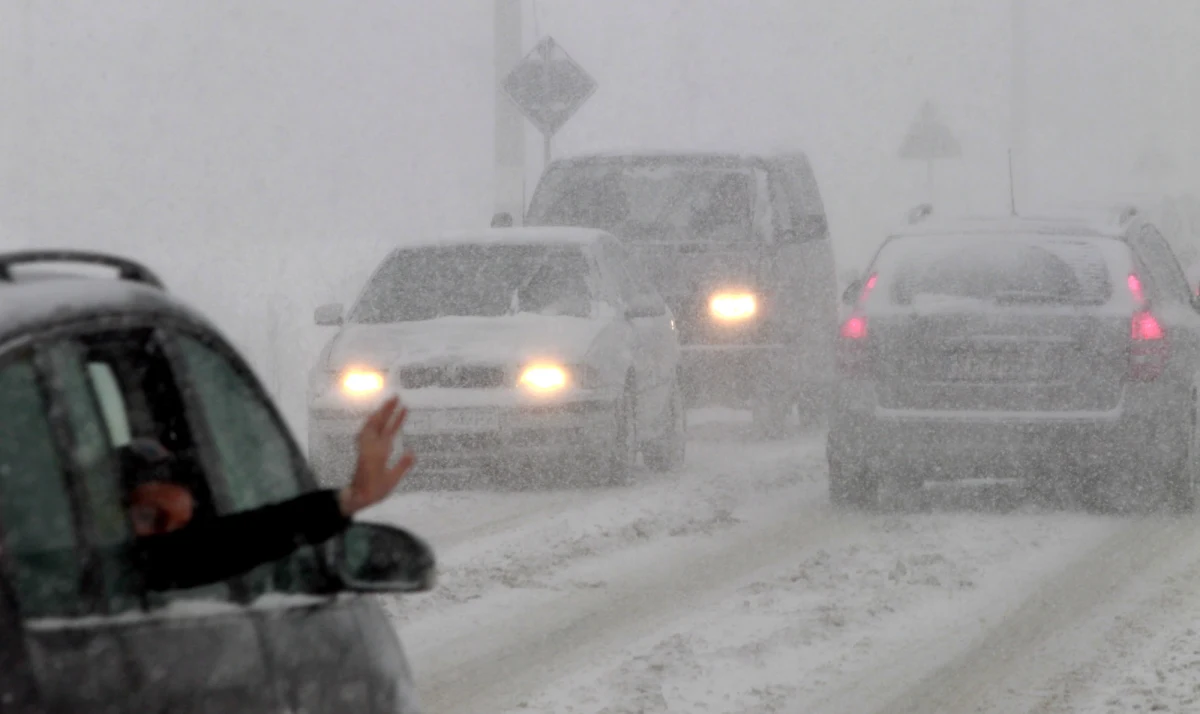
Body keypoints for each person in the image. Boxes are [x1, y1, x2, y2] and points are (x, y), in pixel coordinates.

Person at [121, 396, 415, 591]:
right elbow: (222, 547)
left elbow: (235, 540)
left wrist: (349, 500)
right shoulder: (114, 572)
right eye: (148, 516)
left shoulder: (146, 568)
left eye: (181, 520)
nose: (168, 531)